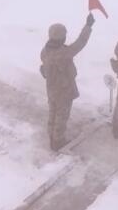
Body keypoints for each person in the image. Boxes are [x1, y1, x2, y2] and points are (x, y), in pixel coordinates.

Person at [40, 14, 95, 151]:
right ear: (61, 38)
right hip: (63, 90)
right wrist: (88, 26)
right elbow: (80, 43)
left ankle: (51, 135)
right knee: (62, 115)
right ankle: (58, 141)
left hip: (51, 88)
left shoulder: (45, 51)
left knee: (53, 112)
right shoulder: (64, 53)